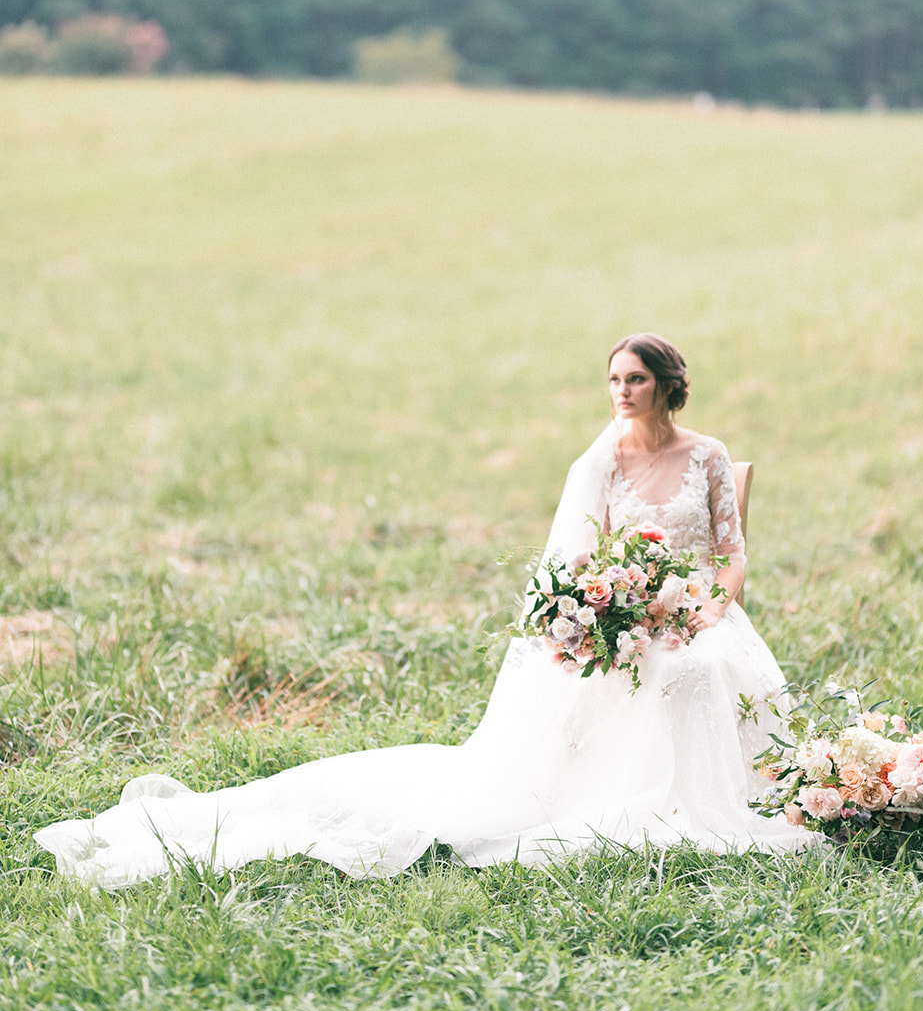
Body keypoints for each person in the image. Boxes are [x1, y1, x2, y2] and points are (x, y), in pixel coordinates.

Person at [35, 334, 811, 886]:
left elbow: (732, 553)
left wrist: (707, 609)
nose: (620, 393)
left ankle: (717, 800)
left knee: (702, 666)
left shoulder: (708, 455)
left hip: (700, 611)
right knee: (620, 677)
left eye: (634, 380)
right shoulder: (600, 459)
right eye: (613, 381)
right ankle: (625, 795)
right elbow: (577, 558)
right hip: (628, 613)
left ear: (667, 385)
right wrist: (612, 612)